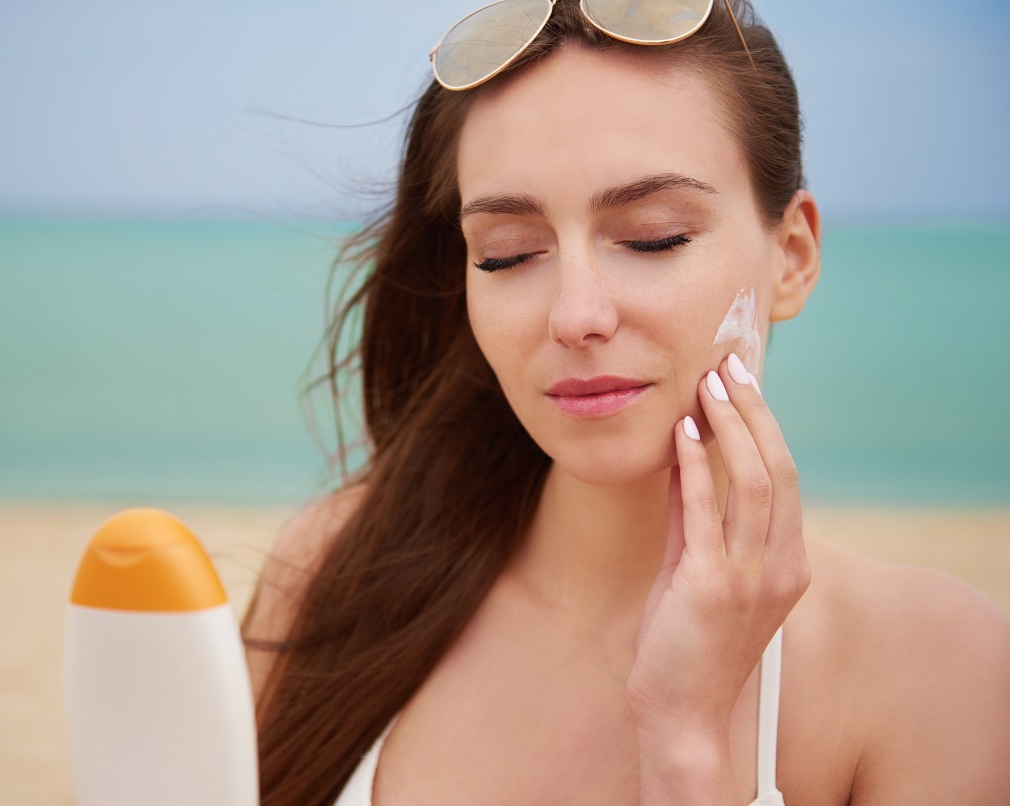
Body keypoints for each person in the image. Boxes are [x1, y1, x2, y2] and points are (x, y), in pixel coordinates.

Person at [243, 1, 1010, 803]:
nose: (576, 315)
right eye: (508, 255)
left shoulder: (935, 674)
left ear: (792, 256)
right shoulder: (334, 573)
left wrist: (687, 744)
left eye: (653, 237)